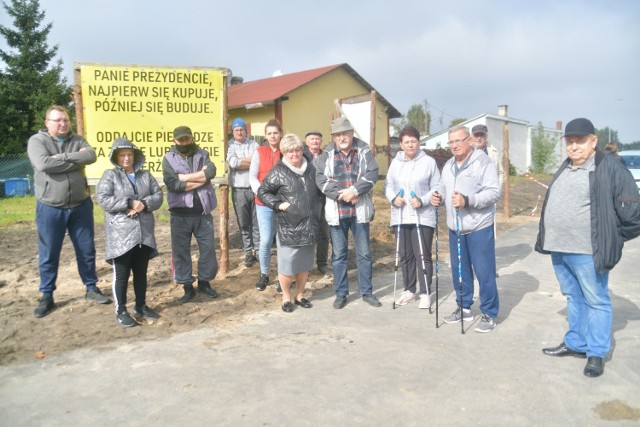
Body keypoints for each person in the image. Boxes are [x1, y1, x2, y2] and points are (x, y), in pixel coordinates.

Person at [536, 118, 640, 378]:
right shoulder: (567, 166)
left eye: (580, 141)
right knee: (574, 297)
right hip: (559, 249)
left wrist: (612, 237)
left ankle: (596, 352)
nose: (574, 147)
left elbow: (633, 212)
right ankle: (576, 343)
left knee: (596, 300)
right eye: (569, 142)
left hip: (586, 252)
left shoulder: (610, 167)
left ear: (594, 141)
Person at [27, 105, 111, 318]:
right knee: (49, 253)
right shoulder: (37, 141)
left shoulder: (78, 139)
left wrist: (59, 158)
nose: (63, 124)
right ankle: (47, 295)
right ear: (47, 123)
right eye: (57, 120)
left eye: (65, 120)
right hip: (50, 207)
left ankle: (91, 288)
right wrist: (73, 158)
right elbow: (43, 164)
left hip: (80, 205)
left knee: (86, 250)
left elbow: (90, 156)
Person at [430, 125, 500, 332]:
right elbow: (443, 187)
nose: (454, 145)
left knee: (484, 272)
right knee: (459, 271)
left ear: (469, 140)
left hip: (479, 226)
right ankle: (464, 307)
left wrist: (468, 200)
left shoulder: (483, 162)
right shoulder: (449, 164)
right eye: (451, 142)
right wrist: (438, 196)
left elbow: (494, 192)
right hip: (456, 227)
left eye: (458, 141)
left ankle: (489, 312)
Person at [97, 138, 163, 327]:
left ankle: (141, 306)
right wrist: (128, 202)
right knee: (122, 273)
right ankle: (121, 311)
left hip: (143, 232)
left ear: (135, 156)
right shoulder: (110, 176)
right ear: (116, 157)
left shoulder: (145, 175)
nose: (126, 158)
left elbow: (158, 196)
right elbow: (103, 199)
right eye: (122, 155)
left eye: (130, 154)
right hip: (121, 233)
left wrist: (143, 204)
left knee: (141, 272)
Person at [316, 116, 381, 309]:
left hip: (359, 210)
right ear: (334, 137)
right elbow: (321, 180)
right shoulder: (326, 154)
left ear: (352, 134)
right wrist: (344, 195)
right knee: (339, 255)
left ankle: (367, 292)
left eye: (345, 133)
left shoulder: (364, 150)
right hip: (338, 211)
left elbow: (372, 173)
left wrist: (355, 191)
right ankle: (341, 293)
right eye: (338, 134)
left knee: (364, 254)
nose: (342, 137)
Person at [258, 134, 322, 312]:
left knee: (304, 264)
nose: (294, 154)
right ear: (284, 153)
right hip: (289, 226)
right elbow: (263, 192)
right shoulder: (278, 171)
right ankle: (286, 297)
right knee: (287, 266)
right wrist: (278, 204)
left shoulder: (311, 168)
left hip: (309, 224)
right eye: (290, 151)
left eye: (298, 150)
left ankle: (300, 295)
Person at [385, 125, 443, 309]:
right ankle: (409, 290)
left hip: (422, 217)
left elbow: (437, 187)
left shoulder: (428, 162)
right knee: (405, 255)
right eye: (406, 142)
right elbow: (388, 185)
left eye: (413, 141)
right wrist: (394, 198)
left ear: (419, 142)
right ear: (401, 144)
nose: (410, 145)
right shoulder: (396, 162)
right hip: (401, 216)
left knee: (422, 255)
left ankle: (425, 292)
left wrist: (423, 200)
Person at [162, 125, 219, 304]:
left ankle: (204, 282)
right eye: (181, 140)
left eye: (187, 139)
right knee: (181, 252)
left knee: (208, 249)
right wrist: (200, 179)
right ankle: (187, 286)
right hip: (180, 214)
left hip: (203, 212)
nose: (184, 142)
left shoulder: (203, 154)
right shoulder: (168, 159)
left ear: (192, 138)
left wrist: (185, 177)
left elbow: (210, 172)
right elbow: (173, 185)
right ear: (174, 141)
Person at [250, 119, 283, 292]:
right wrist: (262, 193)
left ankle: (282, 276)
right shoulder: (259, 152)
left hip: (283, 203)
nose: (272, 136)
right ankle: (264, 274)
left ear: (280, 134)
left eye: (275, 133)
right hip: (262, 203)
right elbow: (252, 176)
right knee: (265, 240)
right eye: (269, 133)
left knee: (282, 240)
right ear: (265, 135)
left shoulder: (285, 151)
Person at [226, 117, 260, 267]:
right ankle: (248, 251)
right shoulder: (229, 145)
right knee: (243, 223)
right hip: (239, 189)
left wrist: (241, 161)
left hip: (255, 189)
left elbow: (259, 162)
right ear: (233, 132)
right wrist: (249, 161)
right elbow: (232, 163)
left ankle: (258, 250)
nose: (239, 132)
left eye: (242, 129)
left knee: (257, 222)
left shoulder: (254, 144)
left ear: (246, 131)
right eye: (236, 130)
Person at [304, 130, 331, 278]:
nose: (315, 141)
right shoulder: (302, 156)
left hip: (324, 199)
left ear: (321, 141)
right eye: (312, 139)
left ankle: (322, 264)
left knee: (324, 233)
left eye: (317, 139)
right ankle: (306, 266)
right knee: (308, 233)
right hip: (308, 199)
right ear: (306, 142)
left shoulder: (326, 156)